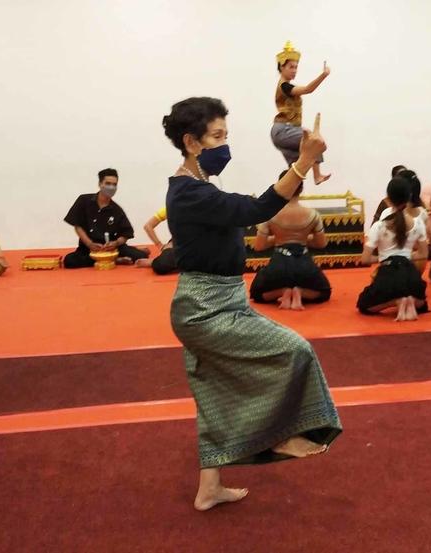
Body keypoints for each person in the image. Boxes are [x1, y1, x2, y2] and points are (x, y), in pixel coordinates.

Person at [162, 97, 341, 511]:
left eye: (227, 135)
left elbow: (251, 207)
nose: (226, 144)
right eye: (218, 136)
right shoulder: (189, 193)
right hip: (205, 309)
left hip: (221, 301)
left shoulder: (202, 186)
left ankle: (209, 488)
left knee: (215, 395)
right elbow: (259, 207)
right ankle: (284, 432)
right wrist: (303, 161)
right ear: (191, 142)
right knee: (296, 350)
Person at [250, 172, 331, 308]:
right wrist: (302, 238)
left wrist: (279, 238)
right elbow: (321, 243)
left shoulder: (270, 213)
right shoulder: (313, 214)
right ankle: (300, 291)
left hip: (279, 262)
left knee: (257, 293)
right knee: (324, 292)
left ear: (280, 186)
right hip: (304, 261)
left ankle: (283, 291)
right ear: (301, 189)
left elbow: (259, 246)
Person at [357, 176, 429, 321]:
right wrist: (405, 256)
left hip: (389, 272)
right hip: (411, 273)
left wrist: (383, 257)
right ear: (409, 197)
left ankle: (397, 301)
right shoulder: (418, 223)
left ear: (388, 199)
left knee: (363, 305)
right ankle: (410, 300)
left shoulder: (379, 226)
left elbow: (365, 259)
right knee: (422, 303)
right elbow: (423, 254)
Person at [270, 41, 331, 185]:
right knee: (313, 140)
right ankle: (317, 176)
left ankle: (288, 196)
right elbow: (308, 90)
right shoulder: (285, 86)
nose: (294, 70)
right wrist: (323, 75)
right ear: (281, 67)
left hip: (288, 130)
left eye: (296, 67)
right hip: (283, 130)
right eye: (291, 67)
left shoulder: (287, 86)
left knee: (295, 172)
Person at [63, 168, 149, 268]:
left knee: (142, 256)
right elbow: (77, 226)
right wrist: (89, 243)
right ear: (100, 184)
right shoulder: (84, 200)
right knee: (69, 261)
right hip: (88, 249)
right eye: (108, 183)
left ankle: (112, 257)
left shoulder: (117, 210)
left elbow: (126, 234)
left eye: (114, 184)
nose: (111, 187)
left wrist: (116, 243)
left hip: (111, 249)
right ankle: (115, 260)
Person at [377, 170, 429, 273]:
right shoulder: (422, 213)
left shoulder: (387, 214)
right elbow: (423, 249)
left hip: (392, 264)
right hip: (415, 264)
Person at [135, 207, 178, 275]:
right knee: (161, 265)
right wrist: (160, 245)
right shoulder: (171, 208)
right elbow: (148, 226)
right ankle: (154, 261)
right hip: (179, 242)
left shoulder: (199, 205)